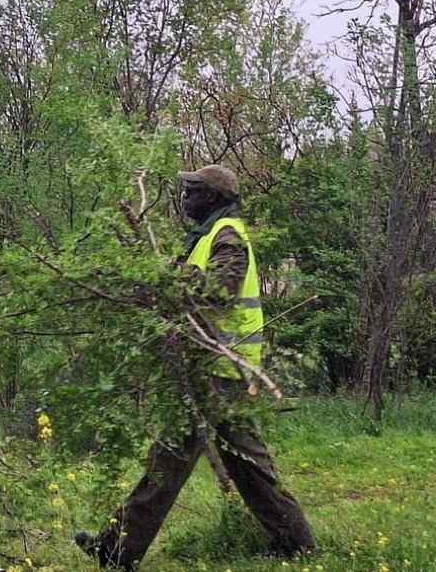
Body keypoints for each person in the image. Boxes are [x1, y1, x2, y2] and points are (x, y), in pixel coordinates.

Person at [74, 164, 316, 570]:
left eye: (192, 192)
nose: (185, 199)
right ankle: (297, 543)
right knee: (247, 467)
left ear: (213, 197)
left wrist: (173, 279)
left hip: (217, 370)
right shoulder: (209, 235)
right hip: (219, 370)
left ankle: (117, 552)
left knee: (168, 461)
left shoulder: (226, 237)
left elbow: (220, 291)